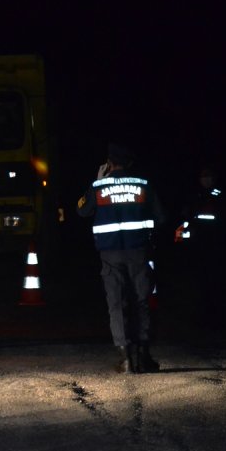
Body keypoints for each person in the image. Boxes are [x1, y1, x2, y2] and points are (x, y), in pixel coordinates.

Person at [76, 143, 167, 373]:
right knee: (142, 300)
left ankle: (126, 359)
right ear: (131, 162)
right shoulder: (143, 185)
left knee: (116, 303)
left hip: (110, 255)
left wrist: (96, 180)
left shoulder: (99, 186)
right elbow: (161, 217)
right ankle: (144, 356)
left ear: (109, 163)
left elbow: (82, 210)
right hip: (139, 251)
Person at [175, 164, 226, 331]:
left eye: (208, 176)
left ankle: (217, 319)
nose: (205, 179)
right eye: (203, 176)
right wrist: (183, 236)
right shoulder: (194, 196)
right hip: (198, 246)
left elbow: (224, 220)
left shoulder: (219, 195)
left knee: (215, 284)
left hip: (215, 245)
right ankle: (202, 319)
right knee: (199, 284)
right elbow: (187, 218)